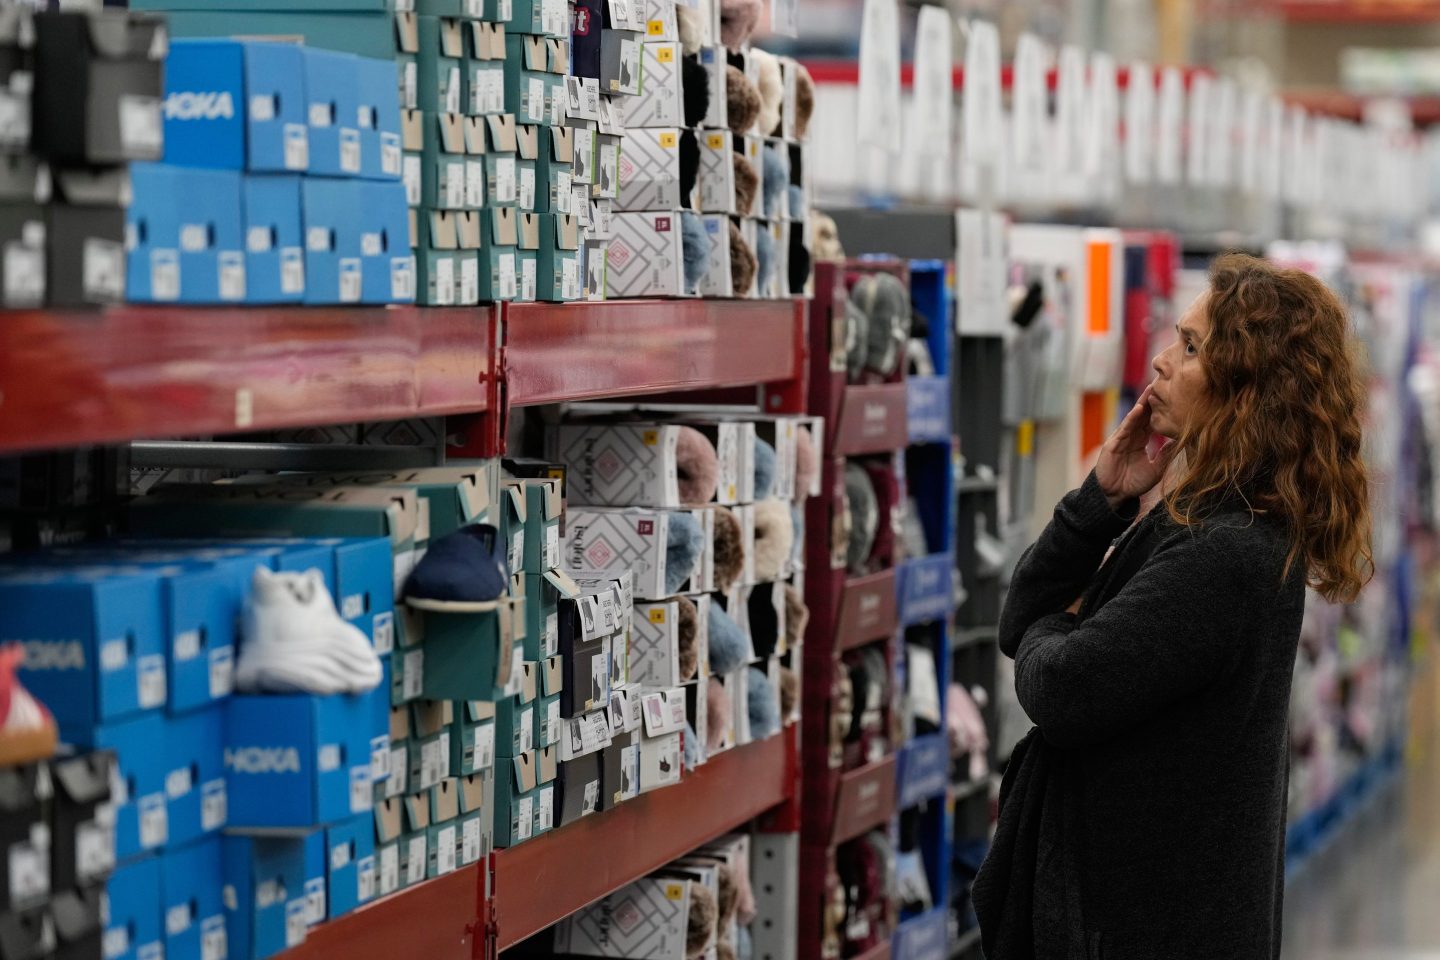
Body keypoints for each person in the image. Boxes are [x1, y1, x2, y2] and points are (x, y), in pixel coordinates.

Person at [972, 253, 1373, 960]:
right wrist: (1101, 501)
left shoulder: (1227, 553)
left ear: (1247, 391)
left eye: (1190, 348)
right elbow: (1020, 624)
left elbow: (1060, 688)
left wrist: (1058, 630)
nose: (1160, 360)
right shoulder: (1203, 521)